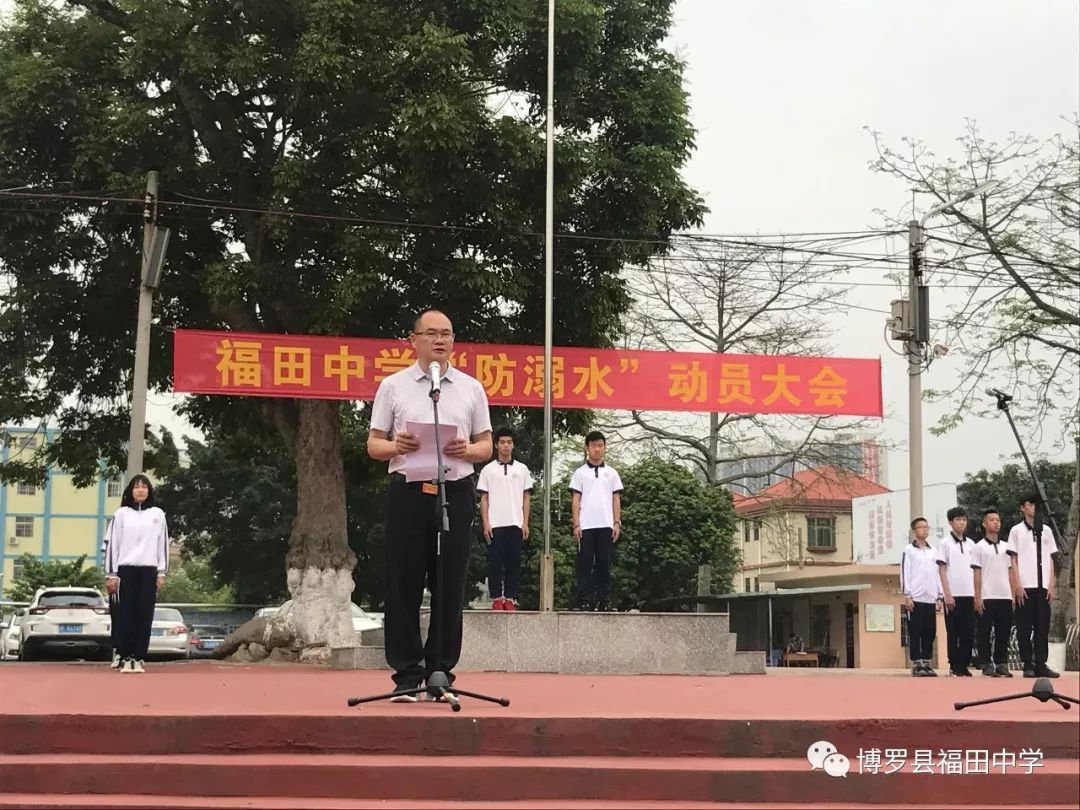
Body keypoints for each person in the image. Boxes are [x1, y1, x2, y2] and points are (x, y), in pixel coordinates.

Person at [367, 310, 493, 701]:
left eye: (447, 334)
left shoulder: (471, 388)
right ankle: (406, 676)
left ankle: (440, 673)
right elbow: (374, 445)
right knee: (402, 583)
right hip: (407, 492)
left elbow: (486, 445)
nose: (440, 341)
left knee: (449, 584)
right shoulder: (394, 386)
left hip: (454, 493)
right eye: (431, 334)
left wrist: (467, 450)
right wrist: (397, 446)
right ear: (414, 339)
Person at [104, 475, 169, 674]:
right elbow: (113, 545)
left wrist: (161, 573)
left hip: (148, 570)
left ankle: (139, 656)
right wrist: (111, 574)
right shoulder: (121, 514)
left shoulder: (157, 515)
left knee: (144, 614)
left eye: (144, 487)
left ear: (149, 491)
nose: (140, 490)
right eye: (136, 487)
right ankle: (124, 655)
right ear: (130, 491)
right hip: (125, 570)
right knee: (125, 614)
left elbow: (162, 544)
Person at [477, 428, 534, 611]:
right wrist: (486, 523)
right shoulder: (488, 470)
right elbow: (484, 498)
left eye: (509, 442)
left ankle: (510, 597)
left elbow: (526, 497)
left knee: (514, 562)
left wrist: (525, 522)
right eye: (502, 442)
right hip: (495, 523)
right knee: (494, 562)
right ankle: (496, 597)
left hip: (515, 522)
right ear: (496, 445)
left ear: (513, 444)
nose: (506, 446)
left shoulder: (522, 469)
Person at [1007, 494, 1060, 678]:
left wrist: (1051, 584)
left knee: (1042, 626)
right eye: (1030, 504)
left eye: (1036, 505)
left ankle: (1041, 663)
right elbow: (1013, 559)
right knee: (1024, 626)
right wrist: (1017, 584)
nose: (1033, 508)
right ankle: (1027, 662)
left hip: (1042, 586)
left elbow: (1051, 559)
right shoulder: (1016, 531)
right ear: (1022, 508)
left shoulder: (1046, 530)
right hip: (1025, 586)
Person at [569, 431, 623, 611]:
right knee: (584, 564)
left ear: (605, 447)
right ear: (587, 447)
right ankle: (584, 599)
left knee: (604, 564)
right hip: (586, 526)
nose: (597, 449)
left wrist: (616, 522)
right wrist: (576, 523)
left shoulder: (612, 473)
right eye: (593, 446)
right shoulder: (580, 473)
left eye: (600, 445)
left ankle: (605, 600)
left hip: (605, 525)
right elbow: (576, 499)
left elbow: (616, 499)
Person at [971, 509, 1016, 678]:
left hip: (1004, 595)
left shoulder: (1006, 547)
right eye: (992, 520)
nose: (996, 523)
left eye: (998, 520)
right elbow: (977, 573)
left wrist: (1012, 594)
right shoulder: (978, 547)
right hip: (987, 595)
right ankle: (985, 662)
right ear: (984, 524)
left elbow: (1011, 572)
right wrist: (977, 596)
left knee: (1003, 631)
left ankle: (1001, 662)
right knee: (984, 631)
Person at [936, 506, 976, 676]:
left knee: (968, 631)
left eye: (964, 519)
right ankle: (954, 664)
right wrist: (947, 594)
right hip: (953, 594)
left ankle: (964, 664)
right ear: (951, 523)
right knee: (953, 631)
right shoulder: (945, 543)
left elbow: (976, 570)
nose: (961, 523)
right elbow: (942, 569)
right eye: (958, 520)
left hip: (970, 593)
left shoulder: (971, 544)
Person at [901, 517, 943, 677]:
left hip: (930, 598)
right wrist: (907, 595)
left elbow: (938, 573)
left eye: (926, 527)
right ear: (914, 531)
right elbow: (905, 573)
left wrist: (939, 596)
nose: (924, 530)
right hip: (915, 598)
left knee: (929, 631)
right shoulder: (909, 550)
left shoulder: (934, 551)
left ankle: (927, 661)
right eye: (920, 527)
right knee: (915, 631)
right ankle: (917, 663)